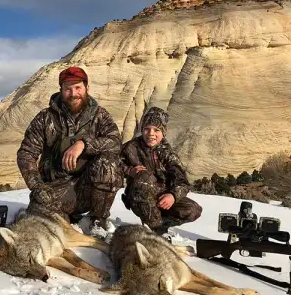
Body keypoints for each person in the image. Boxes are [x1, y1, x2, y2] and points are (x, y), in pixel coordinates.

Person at [16, 66, 123, 232]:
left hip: (89, 186)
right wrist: (37, 187)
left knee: (109, 162)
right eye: (68, 89)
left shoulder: (100, 115)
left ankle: (97, 221)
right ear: (61, 90)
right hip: (56, 188)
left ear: (87, 88)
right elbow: (26, 154)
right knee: (41, 217)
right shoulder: (45, 118)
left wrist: (83, 144)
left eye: (78, 87)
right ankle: (66, 217)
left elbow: (115, 142)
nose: (73, 94)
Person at [120, 106, 202, 237]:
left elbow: (183, 183)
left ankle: (159, 226)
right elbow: (113, 163)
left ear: (163, 132)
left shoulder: (168, 153)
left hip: (161, 196)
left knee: (193, 210)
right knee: (145, 178)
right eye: (147, 129)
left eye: (156, 130)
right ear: (142, 130)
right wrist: (129, 170)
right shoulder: (131, 147)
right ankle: (153, 228)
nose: (151, 133)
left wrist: (172, 196)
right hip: (138, 195)